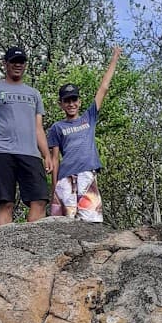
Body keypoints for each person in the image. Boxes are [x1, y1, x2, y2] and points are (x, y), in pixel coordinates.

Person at [0, 46, 53, 226]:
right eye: (14, 62)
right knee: (6, 202)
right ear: (5, 64)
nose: (18, 65)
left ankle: (33, 240)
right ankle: (3, 242)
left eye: (21, 62)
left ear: (25, 65)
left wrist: (47, 155)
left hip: (30, 153)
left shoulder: (34, 94)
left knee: (40, 200)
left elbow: (38, 128)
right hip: (2, 152)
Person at [47, 45, 122, 222]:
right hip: (65, 178)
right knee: (65, 222)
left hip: (87, 174)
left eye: (74, 99)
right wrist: (54, 187)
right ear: (61, 104)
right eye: (67, 101)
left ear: (79, 102)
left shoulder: (89, 117)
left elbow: (103, 87)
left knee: (91, 219)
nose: (71, 104)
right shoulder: (57, 127)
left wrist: (115, 58)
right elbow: (55, 159)